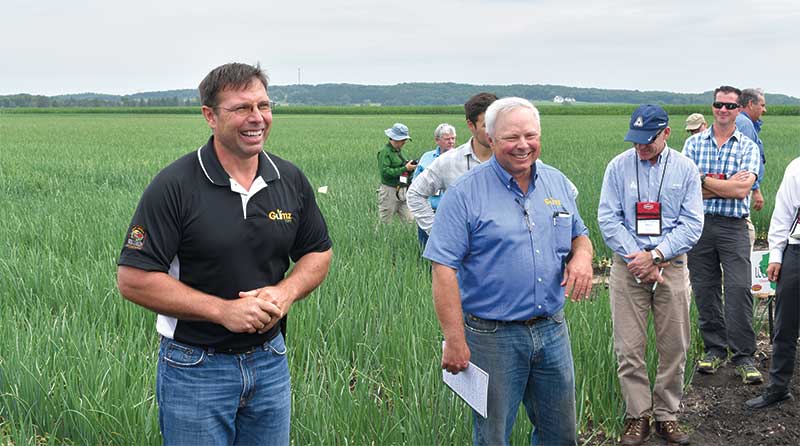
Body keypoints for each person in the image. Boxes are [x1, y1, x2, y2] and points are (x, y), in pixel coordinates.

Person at [116, 62, 333, 445]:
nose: (257, 118)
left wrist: (285, 293)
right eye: (241, 108)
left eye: (263, 106)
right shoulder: (175, 186)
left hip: (270, 361)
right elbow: (133, 280)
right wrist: (224, 311)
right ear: (209, 116)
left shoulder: (289, 179)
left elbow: (317, 252)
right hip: (196, 367)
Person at [424, 97, 594, 445]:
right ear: (490, 137)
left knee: (560, 433)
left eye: (530, 135)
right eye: (511, 137)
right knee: (493, 434)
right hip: (492, 337)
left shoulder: (557, 182)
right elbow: (443, 269)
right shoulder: (465, 193)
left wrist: (582, 258)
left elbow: (580, 234)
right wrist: (455, 340)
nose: (523, 145)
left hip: (551, 330)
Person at [598, 104, 703, 445]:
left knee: (675, 344)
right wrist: (639, 259)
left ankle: (666, 415)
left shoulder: (685, 169)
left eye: (648, 141)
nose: (641, 147)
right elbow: (608, 218)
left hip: (670, 265)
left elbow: (692, 223)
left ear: (666, 134)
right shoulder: (618, 167)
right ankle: (637, 415)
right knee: (628, 346)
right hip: (629, 268)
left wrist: (656, 255)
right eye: (636, 140)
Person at [682, 85, 763, 383]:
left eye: (730, 106)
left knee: (740, 288)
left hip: (734, 227)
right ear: (713, 107)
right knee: (705, 289)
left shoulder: (747, 146)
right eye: (719, 105)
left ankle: (744, 356)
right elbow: (686, 189)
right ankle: (715, 350)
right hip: (699, 226)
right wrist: (724, 184)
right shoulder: (693, 145)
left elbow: (742, 189)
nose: (723, 110)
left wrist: (704, 180)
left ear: (739, 109)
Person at [745, 157, 800, 409]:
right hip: (797, 251)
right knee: (785, 323)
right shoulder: (796, 168)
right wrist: (776, 255)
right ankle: (778, 388)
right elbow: (783, 214)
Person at [407, 92, 497, 240]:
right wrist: (439, 234)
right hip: (462, 251)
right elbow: (415, 193)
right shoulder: (447, 162)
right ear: (471, 125)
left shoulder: (517, 161)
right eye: (486, 126)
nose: (494, 131)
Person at [411, 123, 457, 247]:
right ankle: (424, 266)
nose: (451, 142)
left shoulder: (460, 158)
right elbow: (415, 182)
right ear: (437, 140)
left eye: (453, 138)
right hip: (428, 210)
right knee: (425, 245)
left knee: (447, 248)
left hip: (451, 212)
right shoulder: (427, 157)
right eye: (447, 139)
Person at [735, 88, 768, 248]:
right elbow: (746, 161)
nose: (764, 109)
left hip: (740, 186)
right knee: (746, 234)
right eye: (762, 105)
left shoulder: (746, 123)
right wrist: (755, 189)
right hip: (742, 187)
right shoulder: (745, 125)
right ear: (750, 104)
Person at [377, 122, 416, 223]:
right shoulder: (384, 152)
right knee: (384, 223)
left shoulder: (400, 151)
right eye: (403, 140)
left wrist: (411, 168)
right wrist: (405, 168)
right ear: (395, 138)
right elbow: (385, 172)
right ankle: (380, 239)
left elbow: (403, 168)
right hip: (389, 192)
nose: (404, 142)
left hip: (403, 190)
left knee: (410, 221)